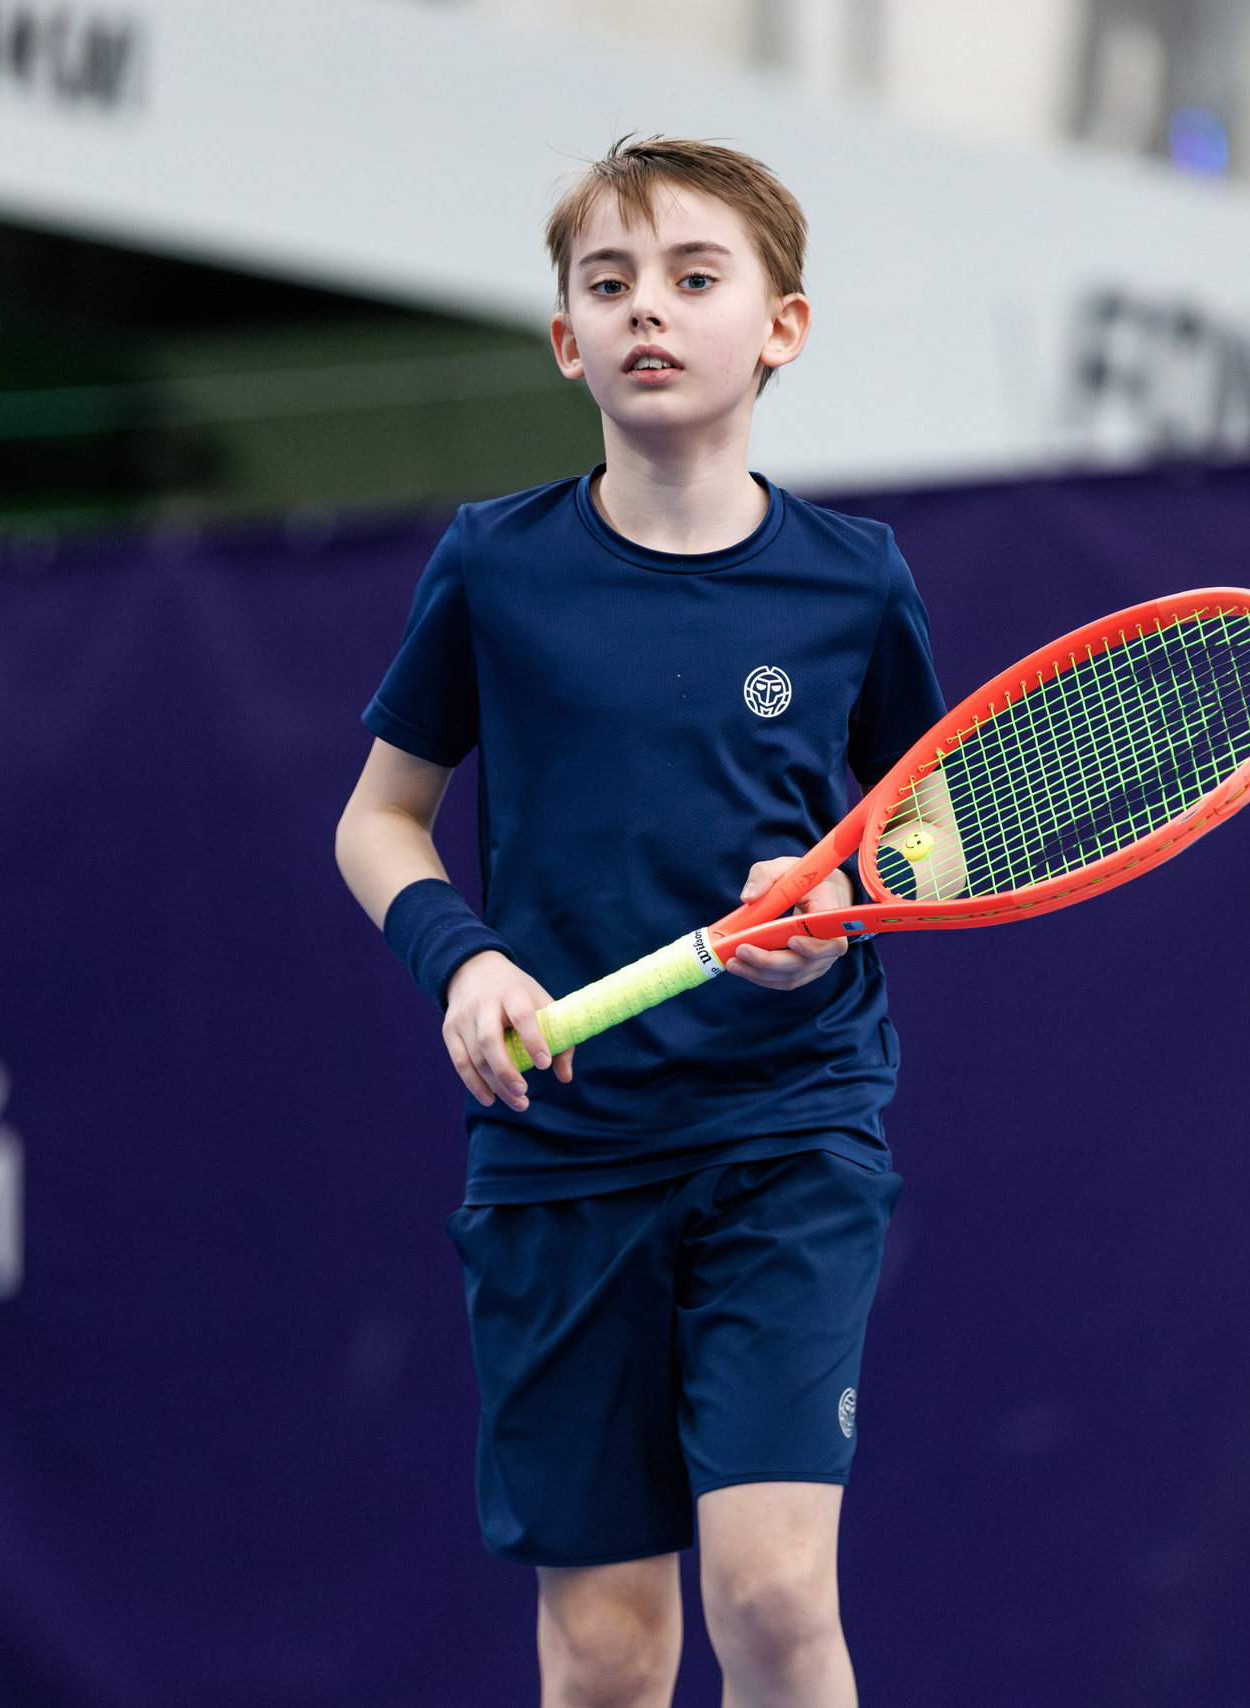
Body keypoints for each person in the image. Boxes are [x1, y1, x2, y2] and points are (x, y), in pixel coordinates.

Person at [333, 135, 946, 1708]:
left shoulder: (856, 588)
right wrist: (461, 960)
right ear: (565, 340)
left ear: (781, 328)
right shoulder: (495, 568)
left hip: (787, 1133)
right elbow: (378, 820)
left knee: (769, 1591)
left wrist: (842, 904)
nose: (647, 311)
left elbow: (937, 837)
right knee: (609, 1647)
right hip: (564, 1147)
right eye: (608, 284)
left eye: (692, 277)